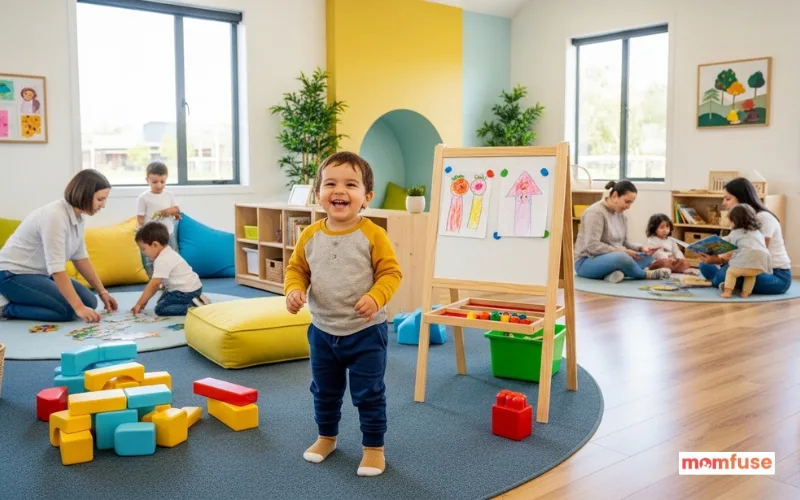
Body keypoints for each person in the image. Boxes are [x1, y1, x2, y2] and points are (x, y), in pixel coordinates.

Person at [284, 151, 402, 477]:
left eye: (351, 184)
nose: (340, 190)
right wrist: (293, 290)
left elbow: (391, 274)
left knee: (369, 393)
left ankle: (374, 448)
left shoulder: (373, 234)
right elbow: (297, 270)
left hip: (366, 331)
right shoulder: (309, 235)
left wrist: (376, 297)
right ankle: (326, 437)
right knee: (323, 390)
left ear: (366, 197)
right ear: (319, 193)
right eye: (331, 183)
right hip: (322, 330)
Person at [0, 169, 118, 322]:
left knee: (90, 302)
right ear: (85, 195)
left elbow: (80, 257)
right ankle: (6, 309)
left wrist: (102, 292)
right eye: (100, 199)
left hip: (40, 274)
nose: (103, 205)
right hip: (11, 274)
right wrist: (78, 307)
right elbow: (56, 269)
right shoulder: (54, 217)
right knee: (67, 311)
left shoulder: (79, 216)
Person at [698, 177, 792, 295]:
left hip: (774, 275)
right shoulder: (740, 220)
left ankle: (722, 282)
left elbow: (754, 256)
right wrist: (711, 256)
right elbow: (737, 248)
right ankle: (723, 281)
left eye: (728, 199)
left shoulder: (762, 218)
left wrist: (719, 260)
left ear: (742, 199)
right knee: (703, 264)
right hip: (746, 265)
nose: (723, 203)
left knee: (726, 273)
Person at [573, 180, 668, 283]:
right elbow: (592, 246)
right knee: (622, 257)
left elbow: (625, 243)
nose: (629, 206)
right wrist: (623, 251)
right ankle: (644, 274)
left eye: (631, 203)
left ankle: (613, 274)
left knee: (648, 256)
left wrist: (642, 248)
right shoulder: (595, 213)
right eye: (627, 202)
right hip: (586, 262)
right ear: (615, 196)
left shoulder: (621, 215)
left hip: (614, 257)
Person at [131, 222, 210, 316]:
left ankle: (194, 307)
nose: (143, 252)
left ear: (155, 245)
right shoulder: (168, 251)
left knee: (160, 308)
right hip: (193, 288)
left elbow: (154, 285)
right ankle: (196, 299)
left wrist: (140, 303)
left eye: (143, 249)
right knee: (162, 301)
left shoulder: (162, 260)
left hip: (185, 292)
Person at [718, 204, 772, 298]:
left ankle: (728, 292)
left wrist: (718, 241)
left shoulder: (735, 232)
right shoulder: (757, 232)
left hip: (745, 259)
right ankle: (745, 293)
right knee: (751, 276)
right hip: (761, 262)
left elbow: (728, 243)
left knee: (731, 272)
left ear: (734, 221)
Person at [137, 161, 180, 277]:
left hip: (168, 233)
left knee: (172, 255)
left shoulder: (169, 195)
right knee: (152, 259)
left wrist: (168, 211)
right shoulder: (144, 198)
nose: (159, 185)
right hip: (151, 236)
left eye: (162, 182)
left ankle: (174, 277)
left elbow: (176, 209)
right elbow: (140, 219)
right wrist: (145, 231)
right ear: (147, 180)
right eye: (155, 182)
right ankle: (154, 279)